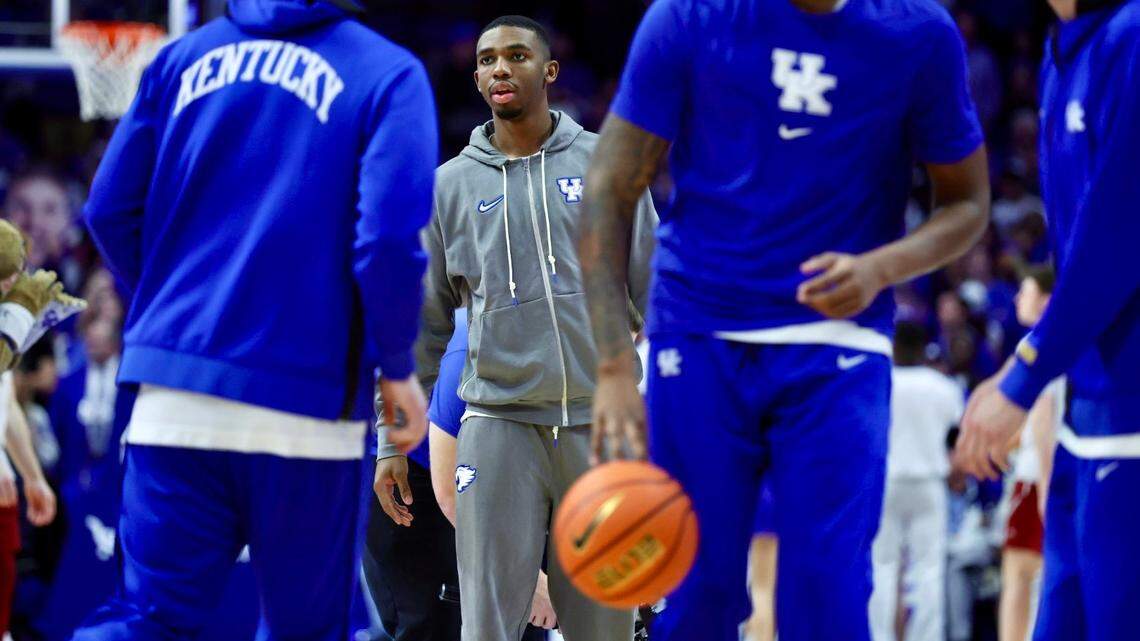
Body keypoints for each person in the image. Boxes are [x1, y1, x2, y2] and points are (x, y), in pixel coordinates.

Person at [578, 1, 991, 639]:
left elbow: (967, 201)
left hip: (837, 343)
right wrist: (610, 365)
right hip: (700, 329)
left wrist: (881, 268)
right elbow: (609, 185)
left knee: (829, 595)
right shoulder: (689, 15)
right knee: (697, 596)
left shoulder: (919, 31)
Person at [71, 0, 437, 638]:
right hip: (306, 404)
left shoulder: (180, 58)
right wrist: (397, 366)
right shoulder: (388, 73)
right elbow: (385, 242)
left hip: (172, 395)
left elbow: (106, 208)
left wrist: (173, 314)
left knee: (145, 622)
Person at [378, 14, 656, 641]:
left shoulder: (606, 164)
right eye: (485, 60)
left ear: (549, 70)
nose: (498, 68)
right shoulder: (448, 186)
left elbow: (653, 287)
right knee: (488, 629)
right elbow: (416, 330)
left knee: (605, 628)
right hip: (498, 426)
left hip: (596, 424)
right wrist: (392, 445)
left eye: (515, 56)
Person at [956, 1, 1140, 639]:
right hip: (1083, 409)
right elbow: (1079, 255)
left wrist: (1021, 377)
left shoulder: (1133, 36)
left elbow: (1116, 245)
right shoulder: (1064, 49)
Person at [869, 321, 964, 641]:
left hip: (887, 482)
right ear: (924, 347)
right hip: (928, 482)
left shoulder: (880, 380)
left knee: (882, 566)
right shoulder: (943, 386)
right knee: (928, 569)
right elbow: (957, 439)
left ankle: (879, 636)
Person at [997, 266, 1060, 641]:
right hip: (1049, 470)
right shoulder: (1071, 343)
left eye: (1026, 291)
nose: (1018, 299)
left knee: (1019, 575)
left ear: (1048, 300)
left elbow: (1042, 414)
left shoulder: (1035, 345)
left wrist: (1045, 484)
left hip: (1037, 475)